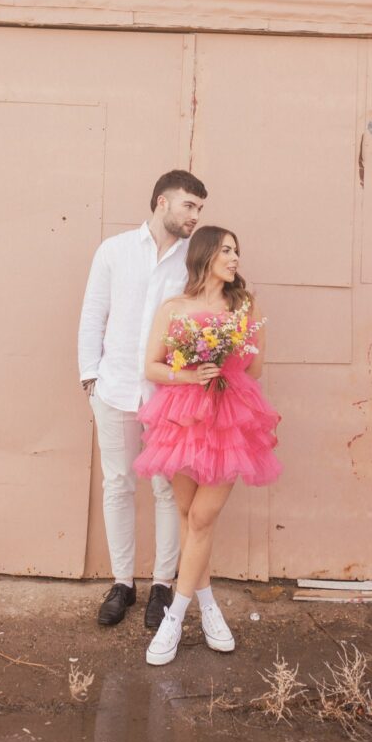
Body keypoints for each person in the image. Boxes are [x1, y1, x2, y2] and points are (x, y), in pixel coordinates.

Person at [134, 225, 282, 665]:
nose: (235, 258)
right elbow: (152, 366)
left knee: (202, 516)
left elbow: (254, 370)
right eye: (226, 250)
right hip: (181, 418)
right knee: (187, 515)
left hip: (229, 418)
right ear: (204, 256)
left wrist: (225, 358)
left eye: (237, 250)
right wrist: (191, 373)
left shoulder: (245, 305)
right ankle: (211, 606)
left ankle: (173, 619)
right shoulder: (174, 307)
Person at [78, 170, 208, 628]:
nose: (195, 216)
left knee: (167, 490)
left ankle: (162, 586)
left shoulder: (195, 260)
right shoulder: (114, 252)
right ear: (161, 202)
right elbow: (94, 312)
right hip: (113, 389)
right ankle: (122, 584)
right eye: (188, 206)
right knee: (118, 485)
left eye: (199, 209)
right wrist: (90, 377)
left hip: (168, 396)